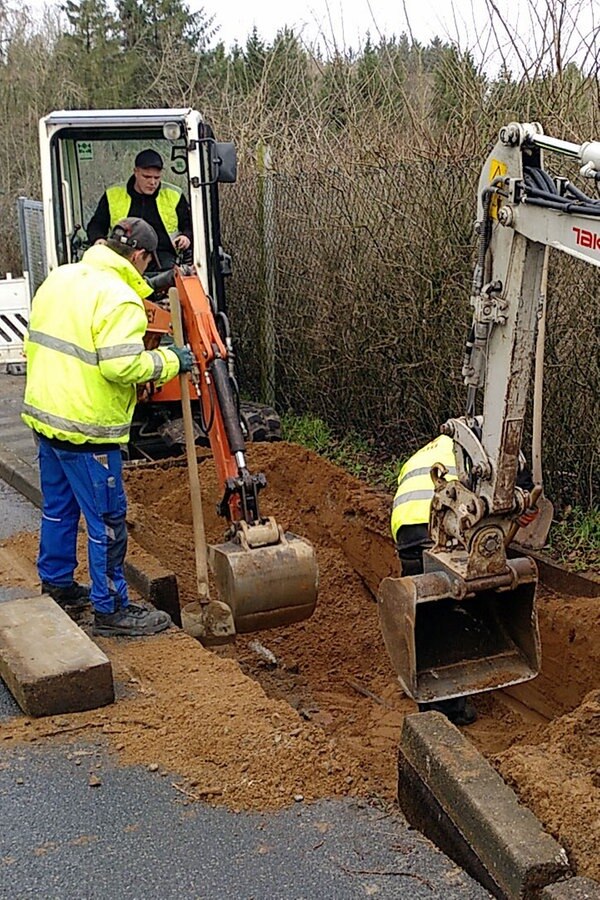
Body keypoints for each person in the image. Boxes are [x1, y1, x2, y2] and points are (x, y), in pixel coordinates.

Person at [22, 217, 194, 637]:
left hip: (46, 415)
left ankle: (59, 585)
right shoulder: (120, 300)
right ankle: (111, 607)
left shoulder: (62, 277)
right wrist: (172, 360)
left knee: (59, 510)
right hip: (87, 427)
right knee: (108, 520)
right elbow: (122, 366)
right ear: (139, 256)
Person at [391, 432, 538, 726]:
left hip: (407, 532)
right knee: (456, 609)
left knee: (425, 613)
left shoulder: (429, 451)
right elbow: (519, 500)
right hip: (444, 526)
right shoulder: (492, 454)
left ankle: (421, 683)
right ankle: (450, 709)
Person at [87, 149, 192, 271]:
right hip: (123, 257)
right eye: (146, 177)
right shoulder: (113, 194)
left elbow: (189, 224)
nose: (152, 182)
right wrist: (98, 239)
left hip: (164, 258)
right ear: (135, 172)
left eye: (156, 177)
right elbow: (97, 224)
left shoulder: (174, 195)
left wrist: (186, 237)